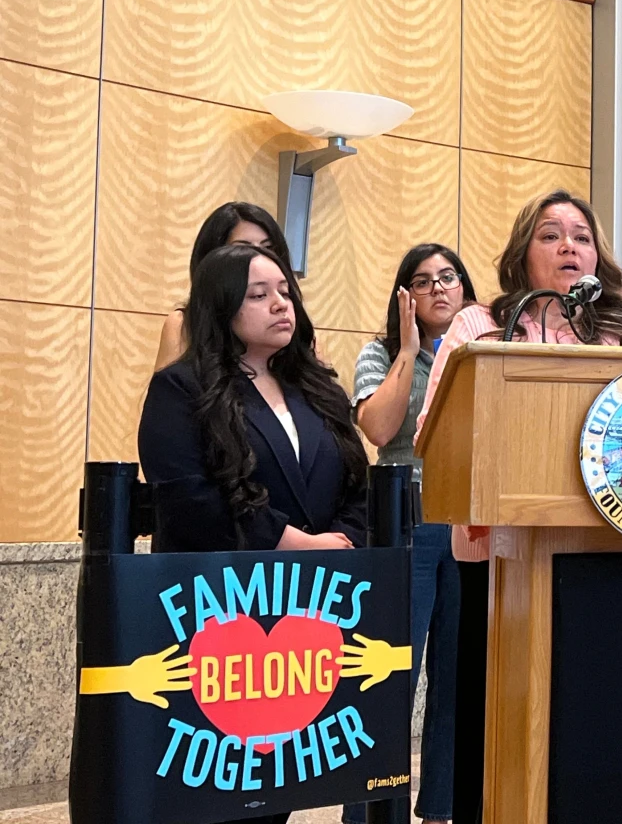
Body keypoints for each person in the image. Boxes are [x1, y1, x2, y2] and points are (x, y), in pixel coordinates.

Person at [415, 190, 622, 824]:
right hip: (498, 554)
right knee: (494, 712)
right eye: (551, 235)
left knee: (590, 712)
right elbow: (437, 430)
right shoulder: (479, 325)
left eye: (581, 236)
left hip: (608, 548)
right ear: (523, 253)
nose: (569, 246)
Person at [137, 243, 368, 824]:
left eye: (285, 292)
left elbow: (357, 486)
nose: (281, 305)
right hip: (219, 616)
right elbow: (188, 497)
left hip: (313, 613)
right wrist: (292, 542)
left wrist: (340, 541)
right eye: (259, 295)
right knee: (219, 786)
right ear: (222, 306)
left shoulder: (318, 388)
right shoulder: (181, 388)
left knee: (278, 782)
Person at [341, 245, 478, 824]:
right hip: (407, 522)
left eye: (448, 277)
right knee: (389, 670)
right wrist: (408, 350)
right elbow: (377, 428)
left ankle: (443, 806)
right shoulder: (381, 354)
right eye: (423, 282)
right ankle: (369, 811)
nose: (438, 288)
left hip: (472, 523)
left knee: (459, 674)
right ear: (405, 296)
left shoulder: (484, 351)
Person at [154, 202, 292, 371]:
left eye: (269, 248)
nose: (259, 257)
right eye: (243, 248)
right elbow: (167, 384)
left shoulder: (295, 329)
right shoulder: (183, 325)